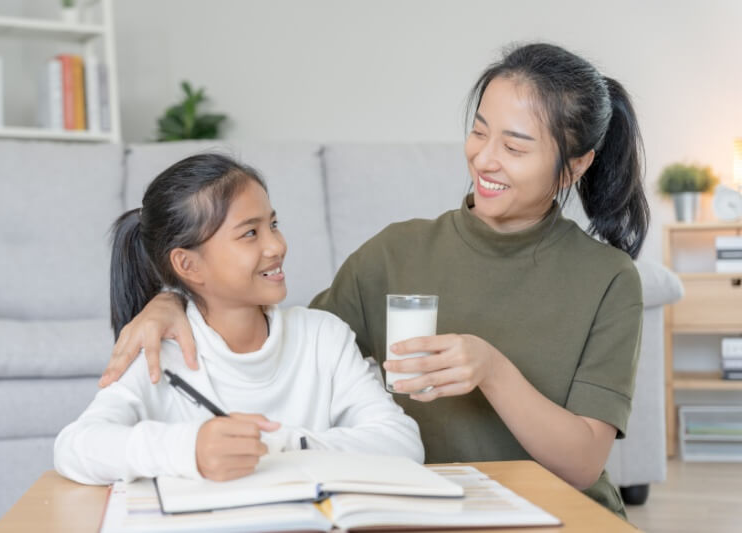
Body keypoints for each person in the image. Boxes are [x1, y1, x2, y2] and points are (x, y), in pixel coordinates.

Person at [98, 42, 649, 517]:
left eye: (515, 146)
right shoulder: (395, 252)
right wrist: (173, 303)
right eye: (478, 132)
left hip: (559, 513)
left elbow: (582, 465)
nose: (484, 158)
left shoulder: (608, 279)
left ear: (576, 164)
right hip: (427, 509)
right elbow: (284, 342)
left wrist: (492, 370)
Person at [54, 153, 423, 485]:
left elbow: (402, 443)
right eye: (250, 233)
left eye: (273, 224)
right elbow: (75, 447)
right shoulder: (160, 352)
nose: (276, 246)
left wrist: (278, 443)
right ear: (187, 264)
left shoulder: (322, 336)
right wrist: (190, 449)